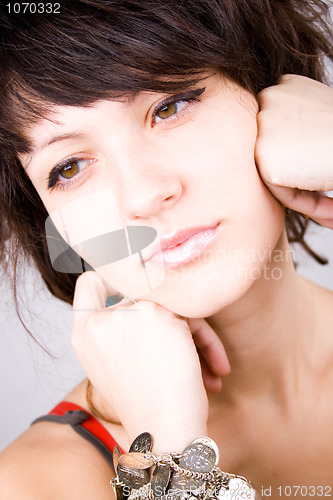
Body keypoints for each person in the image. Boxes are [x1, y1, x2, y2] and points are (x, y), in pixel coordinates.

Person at [0, 1, 333, 498]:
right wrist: (168, 451)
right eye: (69, 167)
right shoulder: (37, 483)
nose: (141, 195)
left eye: (170, 106)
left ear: (266, 87)